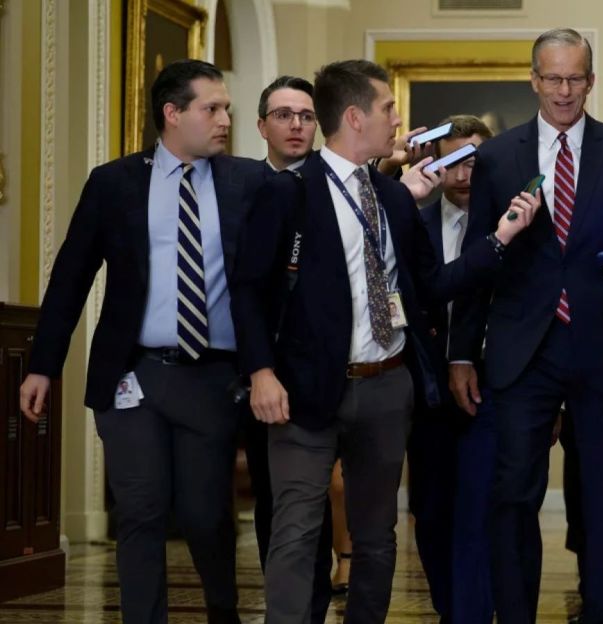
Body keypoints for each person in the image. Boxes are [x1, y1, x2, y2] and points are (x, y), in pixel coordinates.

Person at [230, 59, 537, 624]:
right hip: (303, 393)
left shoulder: (394, 197)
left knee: (377, 538)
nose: (398, 120)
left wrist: (499, 239)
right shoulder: (286, 193)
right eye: (388, 109)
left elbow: (432, 287)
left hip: (386, 388)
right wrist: (261, 373)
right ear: (355, 117)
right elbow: (247, 292)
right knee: (296, 533)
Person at [19, 59, 257, 623]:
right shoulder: (114, 182)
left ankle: (223, 613)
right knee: (141, 512)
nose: (225, 119)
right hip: (132, 375)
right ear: (172, 114)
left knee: (205, 517)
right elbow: (71, 277)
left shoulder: (248, 182)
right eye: (212, 108)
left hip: (213, 377)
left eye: (227, 108)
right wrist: (41, 366)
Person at [449, 28, 603, 624]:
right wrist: (462, 354)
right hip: (523, 351)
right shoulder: (497, 158)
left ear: (591, 81)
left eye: (576, 77)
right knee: (512, 496)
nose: (565, 90)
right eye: (553, 77)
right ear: (534, 79)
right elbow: (481, 259)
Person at [245, 74, 337, 622]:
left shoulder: (342, 185)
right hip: (261, 370)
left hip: (331, 372)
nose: (296, 125)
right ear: (262, 126)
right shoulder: (240, 187)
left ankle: (316, 609)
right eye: (283, 115)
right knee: (274, 504)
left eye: (305, 115)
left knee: (318, 507)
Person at [410, 114, 497, 622]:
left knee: (481, 512)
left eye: (474, 161)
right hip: (425, 392)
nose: (464, 173)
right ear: (435, 165)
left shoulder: (513, 225)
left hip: (491, 385)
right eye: (453, 161)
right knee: (433, 511)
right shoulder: (412, 223)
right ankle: (451, 609)